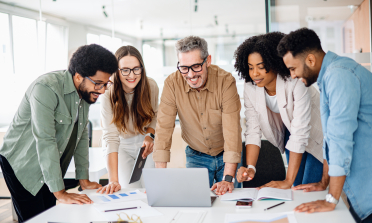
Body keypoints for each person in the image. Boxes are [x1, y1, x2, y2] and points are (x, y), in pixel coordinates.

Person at [0, 44, 118, 222]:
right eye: (98, 84)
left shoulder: (85, 94)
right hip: (23, 164)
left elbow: (81, 136)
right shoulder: (46, 88)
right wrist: (60, 192)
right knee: (35, 219)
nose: (102, 90)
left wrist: (83, 179)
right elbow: (45, 140)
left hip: (49, 165)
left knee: (50, 216)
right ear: (78, 76)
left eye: (106, 84)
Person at [277, 27, 372, 223]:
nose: (292, 76)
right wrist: (323, 182)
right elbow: (330, 137)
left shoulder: (339, 75)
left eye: (293, 68)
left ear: (310, 60)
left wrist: (331, 198)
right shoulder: (329, 76)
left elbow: (340, 139)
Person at [152, 36, 242, 196]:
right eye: (184, 68)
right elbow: (163, 129)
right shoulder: (172, 84)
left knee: (230, 203)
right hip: (196, 155)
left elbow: (232, 130)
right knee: (196, 204)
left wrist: (228, 177)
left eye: (196, 66)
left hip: (226, 156)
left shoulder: (225, 81)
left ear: (208, 60)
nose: (190, 75)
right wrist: (160, 178)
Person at [234, 32, 324, 189]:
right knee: (297, 186)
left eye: (261, 67)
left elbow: (301, 132)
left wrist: (287, 181)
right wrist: (251, 167)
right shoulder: (251, 88)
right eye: (250, 68)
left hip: (317, 134)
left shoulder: (295, 82)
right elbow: (253, 130)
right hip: (291, 132)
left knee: (308, 187)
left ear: (274, 63)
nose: (255, 73)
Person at [97, 46, 158, 194]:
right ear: (116, 71)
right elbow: (110, 137)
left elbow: (154, 115)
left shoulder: (151, 86)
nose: (132, 75)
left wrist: (150, 136)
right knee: (130, 192)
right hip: (120, 145)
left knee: (149, 191)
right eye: (125, 70)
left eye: (136, 69)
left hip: (143, 144)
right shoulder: (107, 93)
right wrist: (113, 180)